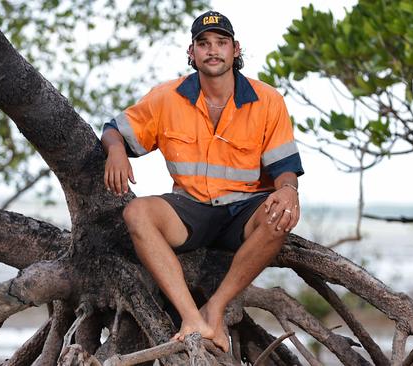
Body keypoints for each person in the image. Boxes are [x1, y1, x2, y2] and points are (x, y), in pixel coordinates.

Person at [101, 10, 304, 352]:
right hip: (191, 208)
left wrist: (288, 190)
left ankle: (215, 307)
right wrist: (116, 150)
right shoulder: (167, 96)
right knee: (136, 213)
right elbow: (114, 130)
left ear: (235, 49)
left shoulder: (268, 100)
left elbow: (285, 167)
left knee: (280, 213)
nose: (213, 50)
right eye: (204, 43)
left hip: (244, 210)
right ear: (191, 52)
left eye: (221, 43)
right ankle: (191, 316)